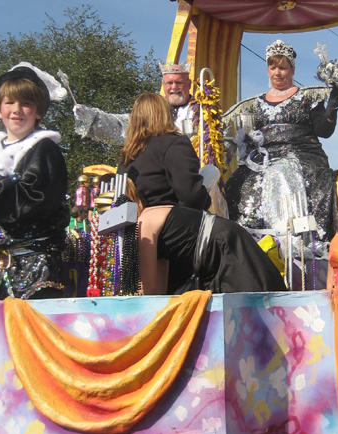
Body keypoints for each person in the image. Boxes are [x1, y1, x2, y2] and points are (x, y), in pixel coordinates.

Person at [117, 93, 285, 295]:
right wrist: (204, 187)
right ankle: (273, 308)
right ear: (163, 114)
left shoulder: (126, 158)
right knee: (236, 242)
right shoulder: (173, 142)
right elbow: (191, 196)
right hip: (176, 226)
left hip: (145, 236)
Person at [225, 40, 338, 240]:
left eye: (283, 67)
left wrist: (333, 103)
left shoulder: (308, 97)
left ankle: (293, 239)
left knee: (280, 173)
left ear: (293, 70)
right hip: (263, 159)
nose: (277, 73)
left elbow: (324, 130)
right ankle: (245, 238)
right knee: (238, 180)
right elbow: (245, 134)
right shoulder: (255, 104)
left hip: (300, 157)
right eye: (273, 67)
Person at [0, 64, 69, 299]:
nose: (17, 110)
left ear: (38, 112)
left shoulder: (45, 149)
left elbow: (38, 201)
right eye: (10, 103)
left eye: (25, 103)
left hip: (34, 265)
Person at [73, 61, 194, 144]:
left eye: (179, 82)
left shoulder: (204, 110)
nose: (174, 87)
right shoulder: (153, 110)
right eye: (169, 83)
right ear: (163, 85)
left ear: (188, 84)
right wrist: (89, 115)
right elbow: (121, 126)